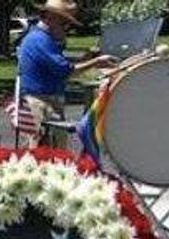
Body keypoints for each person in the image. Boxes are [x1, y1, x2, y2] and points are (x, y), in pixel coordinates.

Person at [17, 0, 117, 147]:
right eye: (65, 23)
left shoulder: (41, 38)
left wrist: (87, 57)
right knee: (46, 153)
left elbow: (60, 67)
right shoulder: (40, 40)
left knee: (49, 153)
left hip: (43, 102)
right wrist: (96, 62)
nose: (67, 29)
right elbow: (66, 71)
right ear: (51, 17)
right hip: (41, 104)